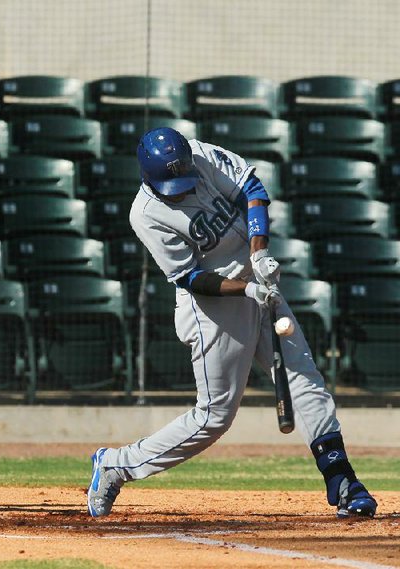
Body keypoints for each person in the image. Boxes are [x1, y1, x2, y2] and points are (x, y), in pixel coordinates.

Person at [87, 127, 378, 520]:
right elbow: (190, 278)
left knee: (305, 380)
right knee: (213, 417)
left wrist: (259, 255)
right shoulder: (146, 214)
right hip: (214, 308)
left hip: (258, 280)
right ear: (147, 176)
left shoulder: (202, 157)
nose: (180, 189)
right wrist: (246, 290)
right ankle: (115, 465)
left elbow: (252, 191)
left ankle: (343, 481)